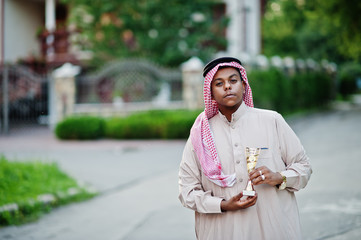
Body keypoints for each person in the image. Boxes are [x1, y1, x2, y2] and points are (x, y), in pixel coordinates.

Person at [178, 57, 312, 240]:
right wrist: (223, 205)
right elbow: (187, 191)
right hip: (222, 231)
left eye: (233, 80)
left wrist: (278, 177)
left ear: (243, 85)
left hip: (272, 229)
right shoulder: (200, 134)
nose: (227, 86)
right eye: (219, 83)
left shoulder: (272, 121)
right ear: (210, 92)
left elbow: (303, 166)